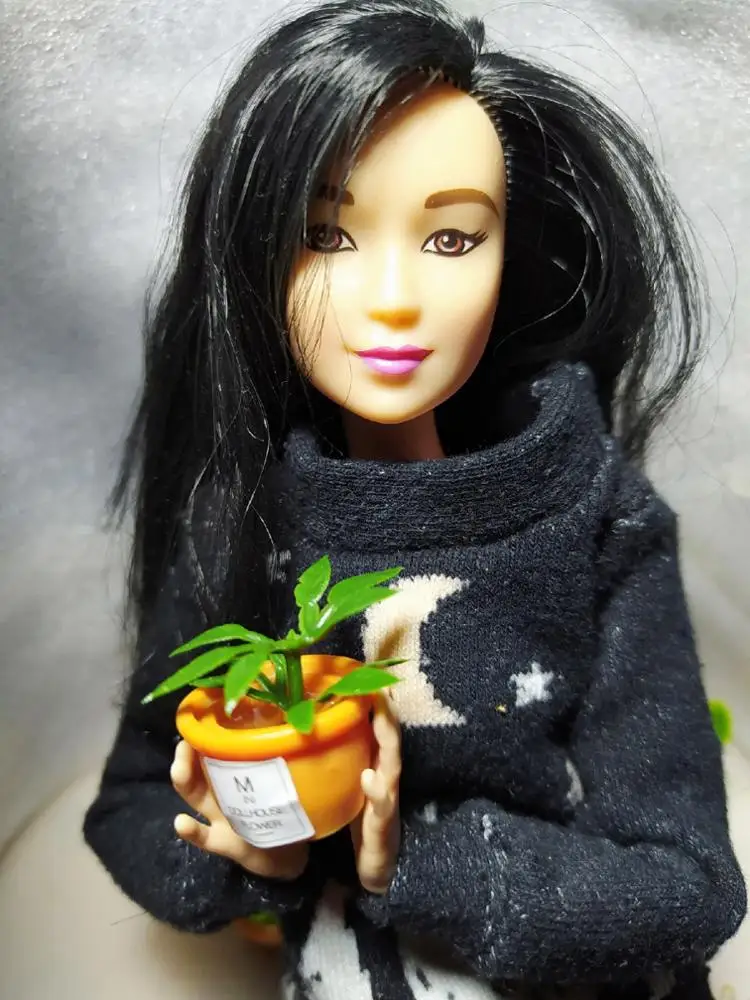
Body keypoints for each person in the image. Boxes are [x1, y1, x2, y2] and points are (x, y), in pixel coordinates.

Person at [83, 2, 746, 997]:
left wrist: (408, 863)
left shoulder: (594, 511)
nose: (392, 296)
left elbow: (689, 885)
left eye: (450, 238)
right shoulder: (243, 521)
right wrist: (249, 852)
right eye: (326, 234)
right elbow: (133, 803)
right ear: (258, 255)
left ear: (507, 253)